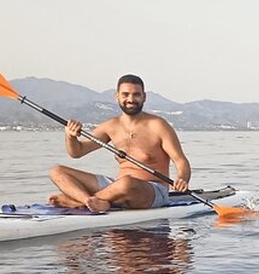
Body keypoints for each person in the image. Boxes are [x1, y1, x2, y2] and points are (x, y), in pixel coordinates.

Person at [48, 74, 191, 213]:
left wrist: (182, 179)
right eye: (125, 94)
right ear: (117, 96)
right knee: (57, 171)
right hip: (117, 186)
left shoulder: (158, 125)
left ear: (144, 97)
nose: (131, 99)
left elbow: (181, 161)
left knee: (127, 183)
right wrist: (71, 137)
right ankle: (90, 201)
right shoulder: (111, 126)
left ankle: (79, 201)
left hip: (152, 189)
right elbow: (77, 152)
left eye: (136, 94)